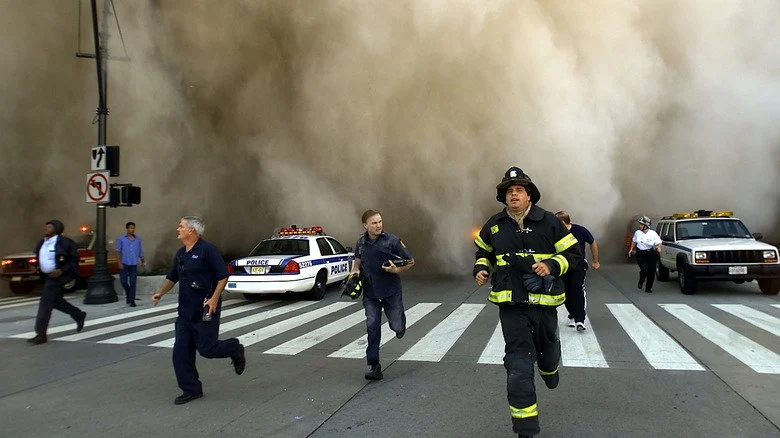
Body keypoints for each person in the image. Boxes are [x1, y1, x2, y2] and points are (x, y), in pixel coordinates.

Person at [474, 167, 581, 437]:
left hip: (544, 303)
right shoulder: (495, 224)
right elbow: (483, 251)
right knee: (518, 363)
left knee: (548, 350)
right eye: (509, 191)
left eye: (519, 190)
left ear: (529, 194)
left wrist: (551, 266)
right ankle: (525, 428)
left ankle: (550, 368)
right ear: (503, 196)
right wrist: (480, 269)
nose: (513, 194)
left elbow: (574, 254)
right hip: (511, 304)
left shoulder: (548, 221)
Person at [151, 216, 246, 405]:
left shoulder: (208, 250)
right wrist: (160, 292)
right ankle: (191, 389)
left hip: (205, 309)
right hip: (185, 313)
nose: (177, 228)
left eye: (181, 226)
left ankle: (235, 348)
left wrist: (214, 298)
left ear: (192, 231)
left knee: (207, 349)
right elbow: (172, 277)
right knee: (181, 353)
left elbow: (223, 276)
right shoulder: (181, 253)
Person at [348, 209, 414, 381]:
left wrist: (396, 269)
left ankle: (400, 326)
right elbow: (357, 264)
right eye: (374, 223)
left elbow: (410, 261)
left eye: (380, 222)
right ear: (365, 225)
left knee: (397, 326)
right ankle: (374, 366)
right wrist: (353, 274)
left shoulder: (392, 241)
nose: (378, 225)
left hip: (391, 292)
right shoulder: (361, 243)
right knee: (372, 327)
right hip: (370, 293)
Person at [28, 220, 87, 345]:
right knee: (56, 302)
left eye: (49, 227)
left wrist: (61, 270)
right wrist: (37, 267)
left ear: (57, 229)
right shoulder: (42, 242)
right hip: (46, 277)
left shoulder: (65, 242)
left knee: (45, 304)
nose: (46, 228)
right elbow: (39, 257)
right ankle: (78, 314)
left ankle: (41, 334)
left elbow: (74, 259)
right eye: (46, 226)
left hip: (58, 277)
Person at [554, 211, 600, 331]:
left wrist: (595, 260)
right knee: (566, 292)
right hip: (563, 265)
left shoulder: (580, 230)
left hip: (579, 265)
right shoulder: (556, 232)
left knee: (577, 289)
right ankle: (572, 315)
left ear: (563, 222)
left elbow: (592, 242)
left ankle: (580, 320)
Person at [628, 215, 662, 293]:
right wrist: (631, 249)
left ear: (646, 226)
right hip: (640, 253)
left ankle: (648, 288)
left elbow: (659, 243)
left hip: (651, 253)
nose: (639, 226)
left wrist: (659, 247)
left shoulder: (653, 233)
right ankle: (641, 280)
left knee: (651, 271)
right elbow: (634, 241)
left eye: (641, 224)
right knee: (644, 270)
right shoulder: (637, 233)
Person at [116, 221, 145, 307]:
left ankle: (132, 300)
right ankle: (129, 294)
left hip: (133, 264)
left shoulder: (138, 239)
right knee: (123, 282)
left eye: (133, 228)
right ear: (127, 229)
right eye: (130, 228)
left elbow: (140, 251)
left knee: (133, 282)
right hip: (124, 263)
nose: (132, 229)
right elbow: (118, 252)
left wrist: (143, 261)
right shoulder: (121, 239)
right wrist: (119, 262)